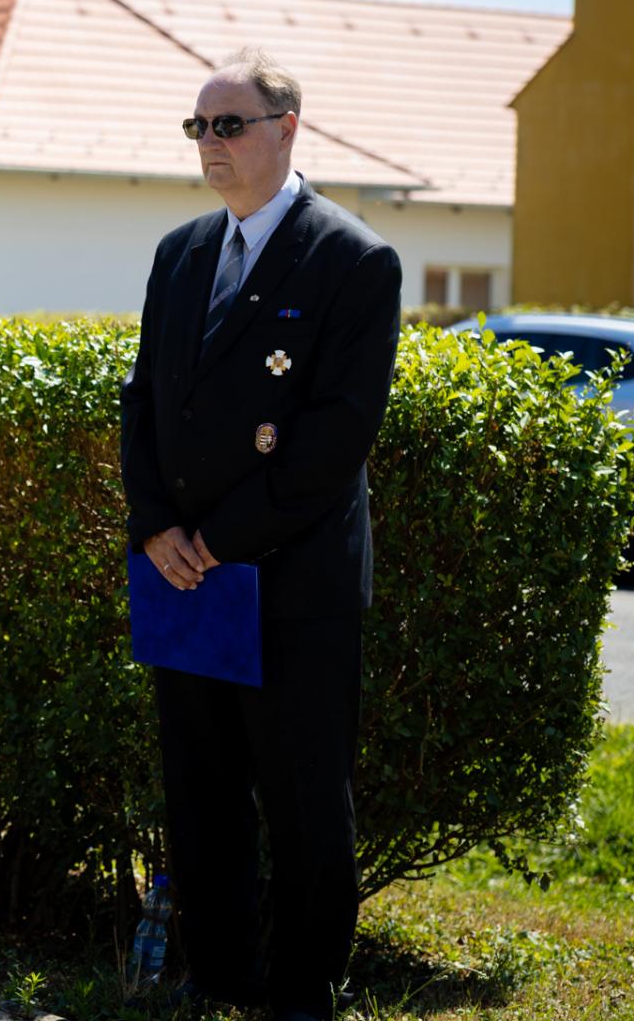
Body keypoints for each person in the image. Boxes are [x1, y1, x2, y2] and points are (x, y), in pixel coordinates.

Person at [119, 49, 402, 1021]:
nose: (211, 142)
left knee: (303, 796)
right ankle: (219, 974)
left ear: (286, 128)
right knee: (200, 789)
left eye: (229, 124)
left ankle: (303, 992)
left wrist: (216, 538)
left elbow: (334, 438)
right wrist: (156, 526)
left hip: (291, 581)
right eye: (198, 126)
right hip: (185, 574)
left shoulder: (352, 259)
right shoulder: (181, 252)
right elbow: (144, 402)